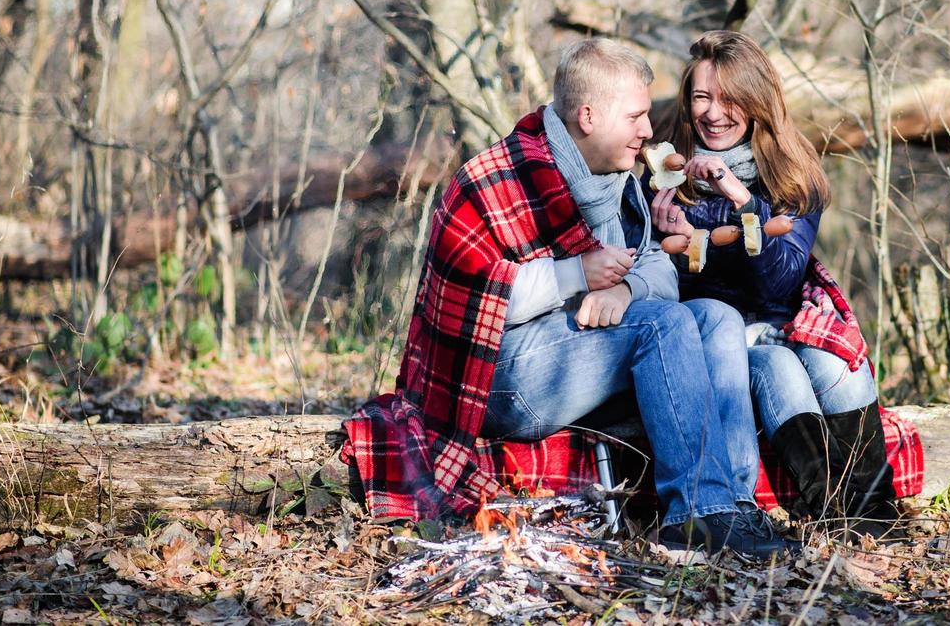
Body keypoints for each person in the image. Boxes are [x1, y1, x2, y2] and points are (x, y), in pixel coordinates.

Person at [340, 38, 797, 558]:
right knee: (661, 326)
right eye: (636, 116)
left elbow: (654, 267)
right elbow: (477, 307)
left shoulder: (615, 181)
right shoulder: (496, 180)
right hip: (496, 377)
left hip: (581, 354)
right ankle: (693, 516)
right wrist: (574, 274)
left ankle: (731, 508)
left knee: (714, 317)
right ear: (588, 116)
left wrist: (623, 290)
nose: (649, 130)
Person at [649, 30, 899, 534]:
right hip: (719, 338)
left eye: (730, 98)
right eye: (702, 97)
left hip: (783, 315)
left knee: (836, 360)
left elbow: (780, 282)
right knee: (780, 368)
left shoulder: (790, 171)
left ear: (758, 101)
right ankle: (834, 516)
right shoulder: (662, 174)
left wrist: (740, 196)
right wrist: (663, 240)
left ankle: (876, 517)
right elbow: (661, 284)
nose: (714, 112)